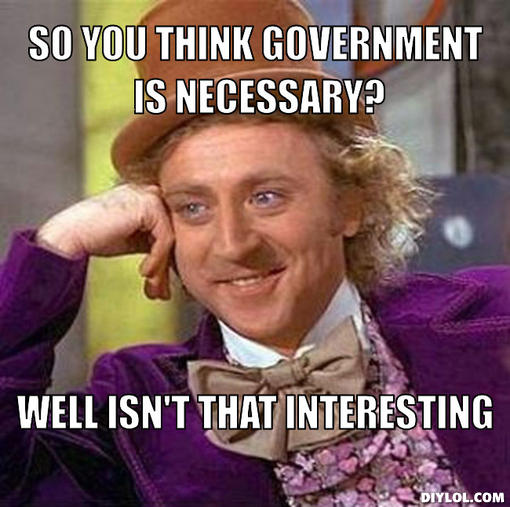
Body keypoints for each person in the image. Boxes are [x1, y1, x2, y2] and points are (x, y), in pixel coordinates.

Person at [1, 0, 509, 506]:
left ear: (349, 204)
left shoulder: (496, 315)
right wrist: (58, 245)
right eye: (193, 207)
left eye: (266, 197)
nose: (233, 244)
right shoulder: (132, 408)